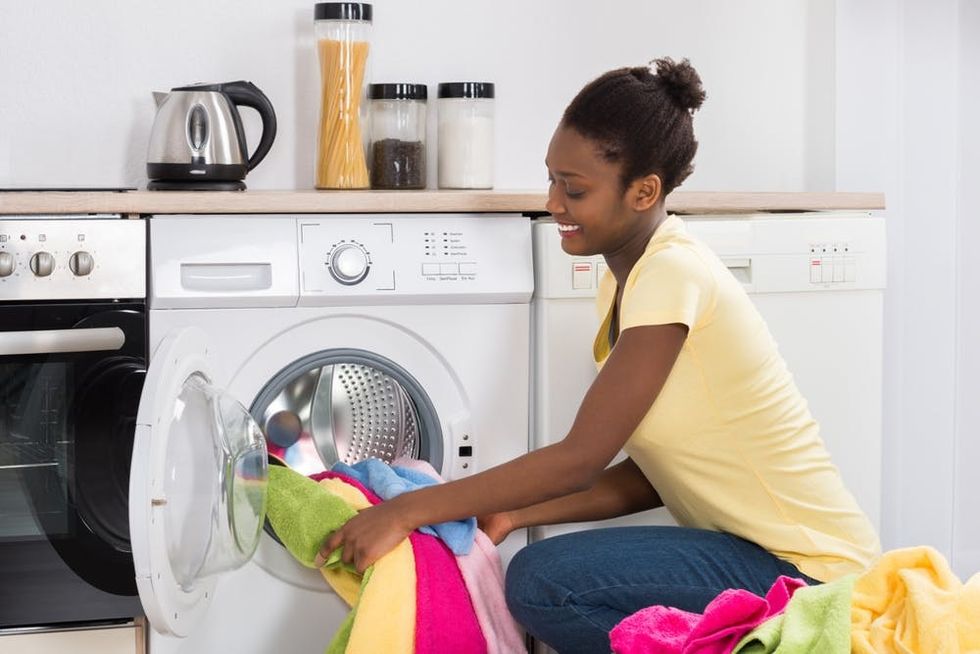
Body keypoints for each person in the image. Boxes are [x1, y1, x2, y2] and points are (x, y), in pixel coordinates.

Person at [316, 58, 881, 653]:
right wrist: (513, 515)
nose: (554, 203)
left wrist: (406, 511)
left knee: (544, 584)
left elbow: (580, 459)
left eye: (575, 189)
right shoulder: (625, 281)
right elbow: (651, 478)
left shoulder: (671, 272)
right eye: (552, 180)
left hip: (810, 571)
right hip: (752, 554)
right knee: (546, 577)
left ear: (644, 191)